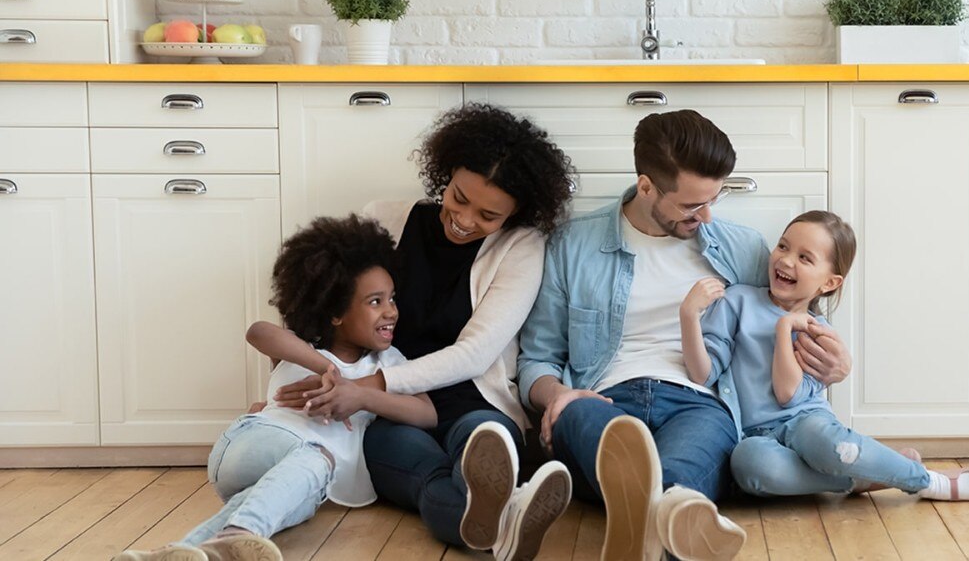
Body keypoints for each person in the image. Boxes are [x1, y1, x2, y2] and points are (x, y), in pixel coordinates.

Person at [517, 110, 854, 561]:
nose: (708, 214)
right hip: (605, 399)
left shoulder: (742, 248)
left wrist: (836, 366)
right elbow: (537, 357)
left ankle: (642, 516)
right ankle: (668, 525)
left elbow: (795, 317)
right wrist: (556, 394)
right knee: (578, 416)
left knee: (680, 471)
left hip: (702, 402)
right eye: (692, 205)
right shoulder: (573, 245)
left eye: (714, 199)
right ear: (646, 187)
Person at [244, 103, 576, 560]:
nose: (465, 220)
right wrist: (279, 405)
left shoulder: (522, 246)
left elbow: (475, 355)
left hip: (468, 399)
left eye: (488, 215)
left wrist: (365, 386)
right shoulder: (385, 217)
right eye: (459, 198)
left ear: (514, 214)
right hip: (387, 411)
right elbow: (323, 307)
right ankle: (508, 518)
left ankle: (493, 505)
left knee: (484, 439)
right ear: (447, 172)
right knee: (427, 478)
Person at [114, 215, 438, 561]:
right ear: (335, 313)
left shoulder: (387, 364)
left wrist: (360, 394)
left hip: (303, 486)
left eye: (392, 299)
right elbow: (258, 332)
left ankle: (174, 553)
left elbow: (427, 413)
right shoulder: (306, 348)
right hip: (253, 444)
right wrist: (328, 370)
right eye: (375, 301)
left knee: (264, 503)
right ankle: (241, 537)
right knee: (316, 459)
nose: (391, 311)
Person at [683, 211, 969, 502]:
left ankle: (930, 482)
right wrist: (688, 316)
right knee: (748, 465)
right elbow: (703, 374)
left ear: (830, 282)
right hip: (754, 435)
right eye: (783, 246)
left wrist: (784, 329)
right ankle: (865, 477)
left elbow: (788, 395)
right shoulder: (738, 300)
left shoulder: (820, 332)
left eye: (805, 258)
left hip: (806, 422)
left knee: (831, 446)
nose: (785, 260)